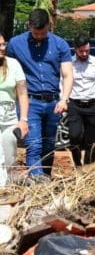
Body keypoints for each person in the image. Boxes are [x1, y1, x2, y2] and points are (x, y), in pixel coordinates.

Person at [7, 9, 72, 177]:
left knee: (49, 145)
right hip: (29, 102)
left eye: (43, 33)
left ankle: (46, 180)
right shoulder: (15, 44)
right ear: (29, 26)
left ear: (49, 26)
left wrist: (64, 99)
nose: (39, 36)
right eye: (36, 33)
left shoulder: (60, 44)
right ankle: (36, 184)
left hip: (53, 102)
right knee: (34, 144)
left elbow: (67, 74)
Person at [68, 33, 95, 166]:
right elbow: (63, 82)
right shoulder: (68, 63)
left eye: (87, 50)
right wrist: (63, 100)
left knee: (92, 140)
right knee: (74, 136)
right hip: (75, 104)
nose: (84, 53)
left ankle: (89, 166)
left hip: (93, 104)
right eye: (81, 51)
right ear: (75, 49)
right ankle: (77, 164)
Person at [0, 35, 29, 184]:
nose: (3, 48)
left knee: (9, 155)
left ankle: (10, 187)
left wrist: (23, 119)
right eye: (0, 45)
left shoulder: (14, 64)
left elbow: (23, 93)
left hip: (9, 118)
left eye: (3, 44)